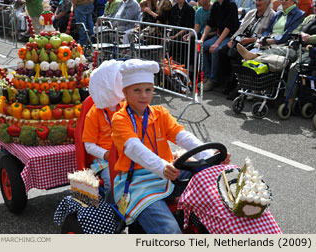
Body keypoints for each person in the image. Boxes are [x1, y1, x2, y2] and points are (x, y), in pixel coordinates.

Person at [111, 59, 231, 233]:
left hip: (167, 173)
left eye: (148, 90)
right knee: (170, 231)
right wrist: (161, 166)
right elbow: (133, 148)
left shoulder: (160, 113)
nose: (143, 95)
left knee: (212, 187)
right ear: (125, 93)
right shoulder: (120, 119)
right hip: (137, 181)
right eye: (137, 90)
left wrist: (211, 155)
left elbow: (183, 137)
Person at [82, 60, 125, 204]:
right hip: (105, 160)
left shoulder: (125, 106)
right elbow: (88, 145)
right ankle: (111, 213)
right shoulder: (93, 114)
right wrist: (108, 155)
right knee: (112, 183)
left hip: (127, 153)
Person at [220, 0, 275, 97]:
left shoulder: (272, 15)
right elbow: (240, 29)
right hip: (240, 40)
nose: (257, 3)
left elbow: (268, 35)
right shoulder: (251, 13)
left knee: (238, 56)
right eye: (256, 0)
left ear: (267, 2)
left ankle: (237, 87)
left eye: (260, 1)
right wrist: (232, 39)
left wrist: (250, 40)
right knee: (223, 51)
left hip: (255, 43)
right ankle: (226, 81)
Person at [200, 0, 239, 91]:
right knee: (202, 46)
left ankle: (213, 80)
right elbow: (210, 24)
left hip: (230, 36)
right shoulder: (216, 5)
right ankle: (206, 76)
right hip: (219, 35)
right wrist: (201, 40)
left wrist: (216, 43)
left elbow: (228, 27)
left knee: (216, 50)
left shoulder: (231, 5)